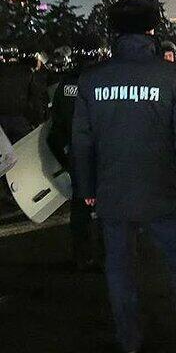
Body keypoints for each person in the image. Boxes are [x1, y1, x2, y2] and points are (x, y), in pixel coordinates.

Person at [71, 0, 176, 353]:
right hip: (161, 189)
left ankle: (129, 340)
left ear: (115, 31)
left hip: (112, 190)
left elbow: (81, 141)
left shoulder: (92, 79)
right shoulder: (172, 76)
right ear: (151, 30)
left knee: (119, 270)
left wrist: (86, 188)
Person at [47, 51, 104, 272]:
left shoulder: (65, 85)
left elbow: (55, 131)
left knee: (80, 207)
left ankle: (82, 256)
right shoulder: (103, 82)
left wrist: (65, 161)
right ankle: (109, 255)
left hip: (77, 155)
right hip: (103, 154)